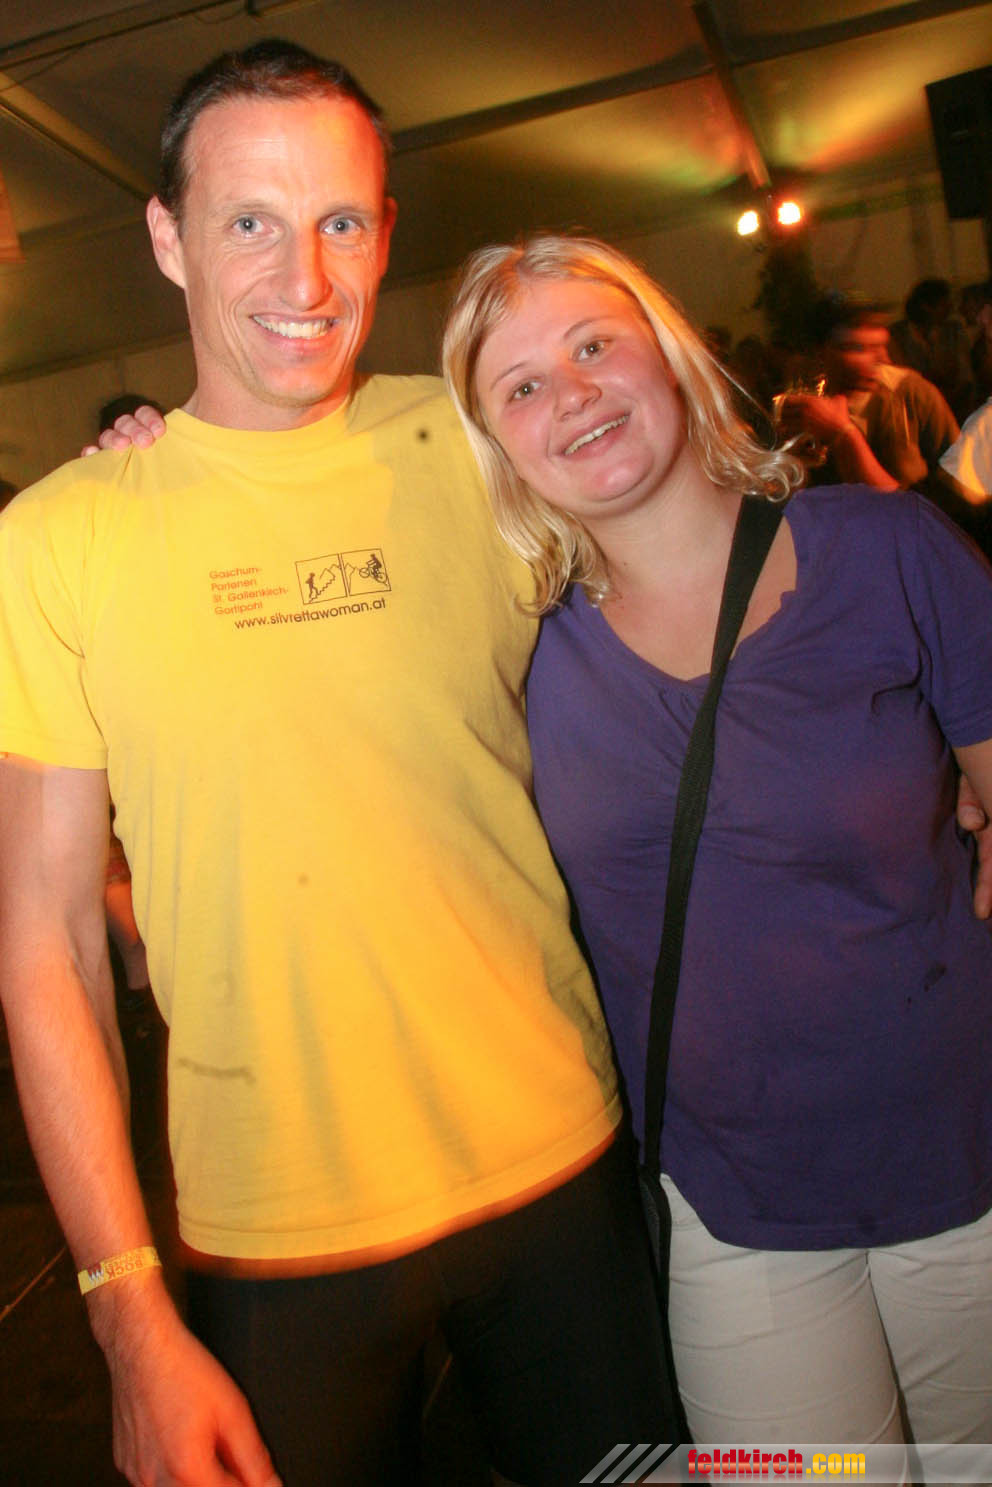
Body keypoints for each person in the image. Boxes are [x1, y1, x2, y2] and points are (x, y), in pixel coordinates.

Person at [0, 46, 681, 1487]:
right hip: (271, 1235)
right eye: (249, 220)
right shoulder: (61, 536)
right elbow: (47, 942)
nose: (303, 275)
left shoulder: (484, 441)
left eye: (343, 221)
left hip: (562, 1168)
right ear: (168, 238)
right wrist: (126, 1312)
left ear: (385, 231)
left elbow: (688, 586)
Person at [442, 234, 992, 1445]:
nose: (569, 393)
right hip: (731, 1212)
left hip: (969, 1167)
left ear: (670, 354)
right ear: (494, 444)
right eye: (519, 384)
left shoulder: (886, 550)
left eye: (594, 344)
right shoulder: (516, 655)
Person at [778, 293, 959, 504]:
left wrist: (843, 434)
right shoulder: (808, 404)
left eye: (881, 346)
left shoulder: (911, 392)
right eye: (859, 348)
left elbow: (958, 485)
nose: (882, 359)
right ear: (822, 352)